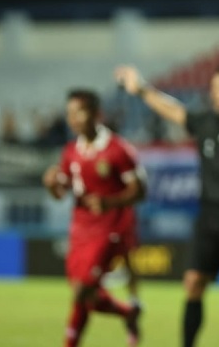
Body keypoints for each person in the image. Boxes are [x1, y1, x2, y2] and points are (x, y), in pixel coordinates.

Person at [115, 64, 219, 347]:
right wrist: (142, 88)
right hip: (209, 217)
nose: (215, 94)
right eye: (213, 89)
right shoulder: (207, 122)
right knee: (194, 282)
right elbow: (173, 110)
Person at [42, 88, 147, 347]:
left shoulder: (117, 150)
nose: (73, 119)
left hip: (108, 229)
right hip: (79, 230)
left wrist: (109, 201)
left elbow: (140, 191)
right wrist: (49, 184)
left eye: (79, 112)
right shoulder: (70, 152)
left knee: (82, 291)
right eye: (70, 114)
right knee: (84, 294)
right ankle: (128, 312)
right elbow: (61, 192)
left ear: (95, 115)